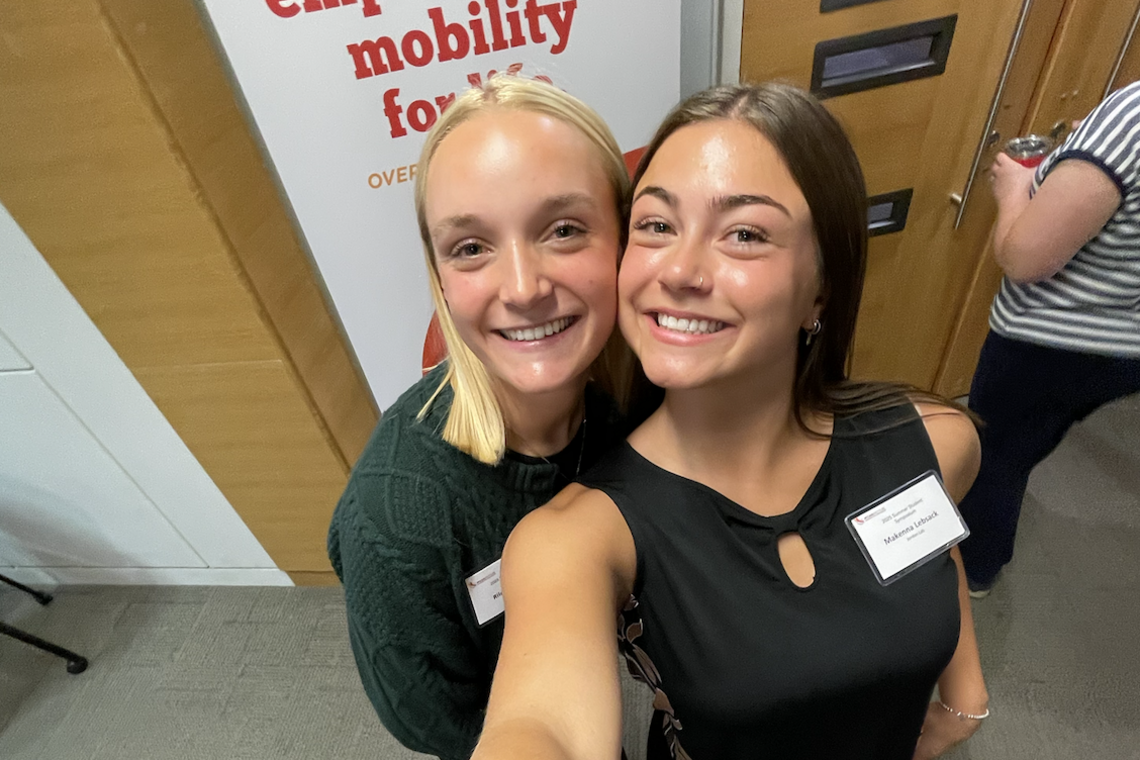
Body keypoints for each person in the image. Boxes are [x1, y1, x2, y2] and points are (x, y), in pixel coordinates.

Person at [472, 83, 989, 760]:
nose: (680, 271)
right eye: (656, 226)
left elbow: (932, 552)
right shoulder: (580, 538)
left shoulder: (934, 440)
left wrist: (965, 694)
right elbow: (544, 725)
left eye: (745, 234)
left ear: (822, 289)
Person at [327, 75, 635, 760]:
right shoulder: (393, 519)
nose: (523, 289)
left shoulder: (640, 398)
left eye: (564, 230)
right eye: (470, 247)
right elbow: (432, 717)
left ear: (624, 236)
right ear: (440, 277)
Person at [958, 81, 1140, 597]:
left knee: (995, 455)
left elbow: (1024, 260)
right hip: (1124, 341)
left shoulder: (1132, 115)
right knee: (1030, 440)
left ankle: (974, 568)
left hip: (1051, 343)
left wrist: (1015, 188)